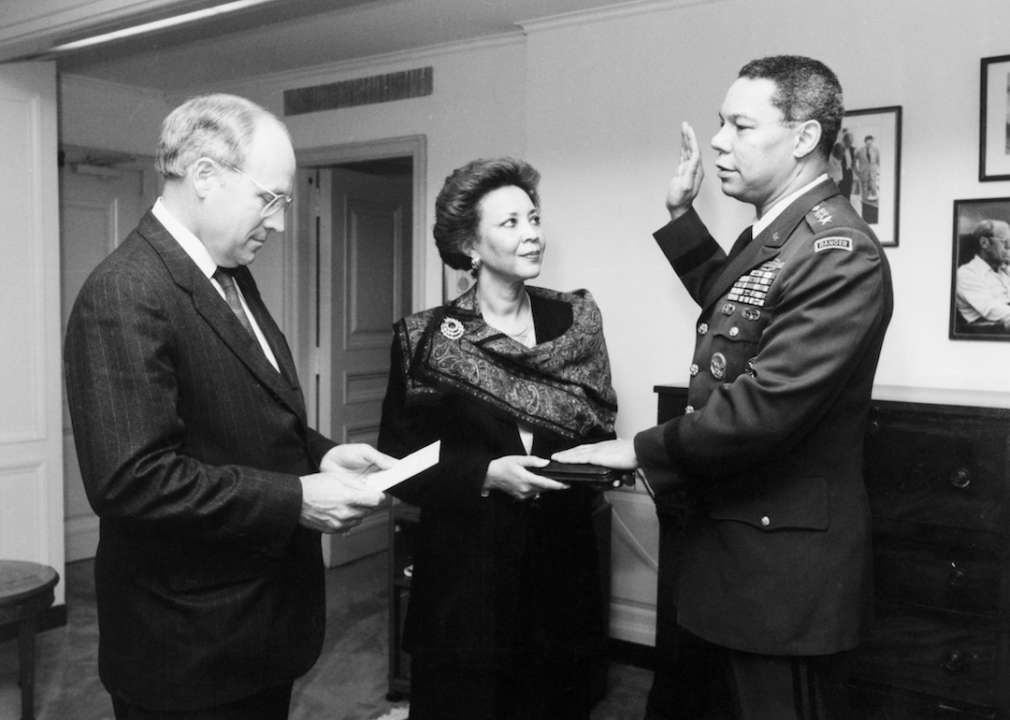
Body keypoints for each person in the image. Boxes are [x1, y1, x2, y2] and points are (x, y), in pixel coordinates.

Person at [555, 56, 893, 719]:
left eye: (740, 125)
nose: (718, 141)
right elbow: (732, 307)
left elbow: (764, 409)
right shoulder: (776, 235)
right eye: (721, 124)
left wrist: (635, 450)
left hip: (780, 581)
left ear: (802, 138)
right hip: (723, 556)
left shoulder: (840, 253)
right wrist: (681, 215)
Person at [64, 94, 393, 720]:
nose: (280, 222)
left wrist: (323, 453)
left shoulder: (230, 275)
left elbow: (243, 412)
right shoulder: (125, 291)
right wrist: (297, 498)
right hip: (186, 650)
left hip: (254, 632)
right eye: (271, 199)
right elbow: (131, 481)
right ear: (206, 176)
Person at [377, 157, 618, 720]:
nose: (532, 233)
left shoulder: (576, 321)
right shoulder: (428, 340)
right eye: (510, 223)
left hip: (558, 577)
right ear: (470, 246)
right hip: (466, 585)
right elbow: (397, 462)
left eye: (533, 218)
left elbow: (601, 426)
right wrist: (486, 475)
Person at [955, 218, 1010, 330]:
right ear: (984, 242)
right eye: (1006, 242)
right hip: (995, 330)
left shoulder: (1004, 269)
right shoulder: (966, 273)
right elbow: (990, 309)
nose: (1009, 248)